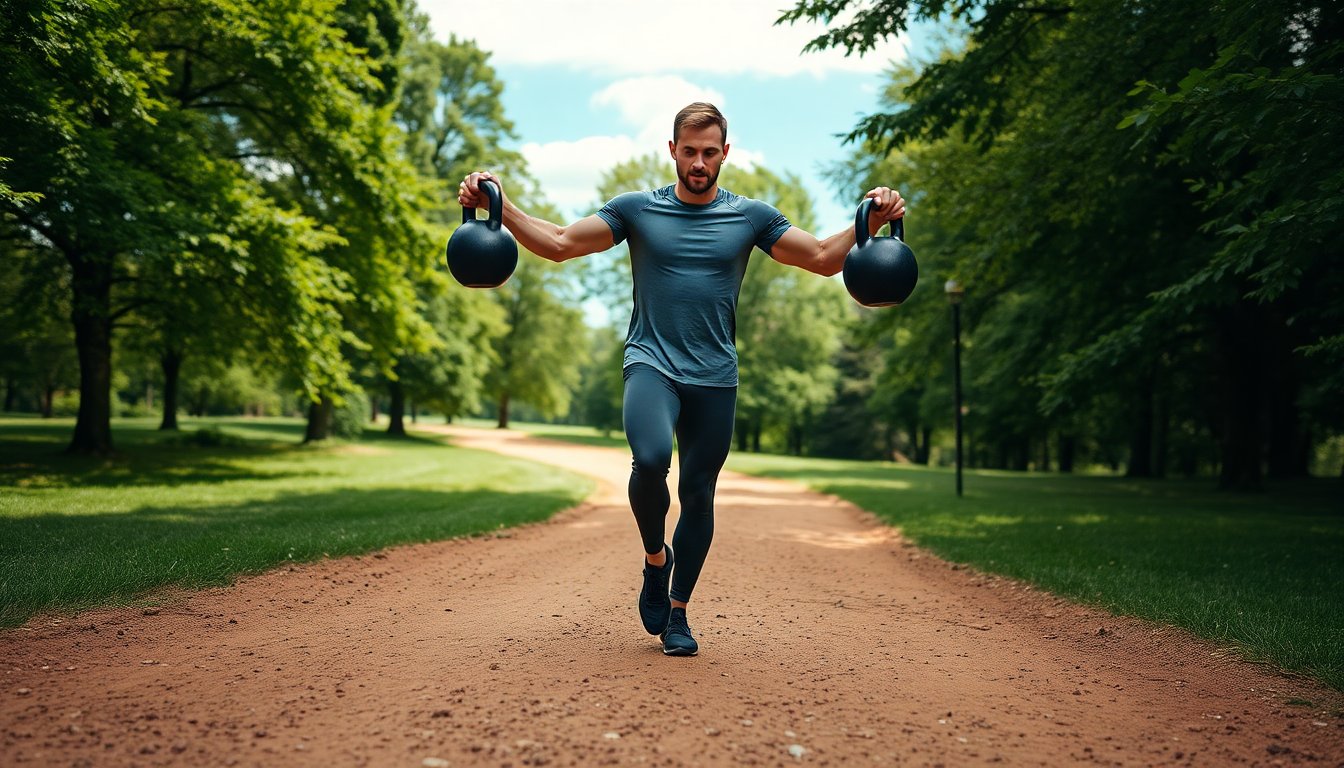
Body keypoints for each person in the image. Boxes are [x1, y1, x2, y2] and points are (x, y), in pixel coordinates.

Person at [458, 102, 905, 656]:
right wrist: (501, 206)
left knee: (698, 495)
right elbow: (560, 244)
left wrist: (871, 220)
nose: (698, 162)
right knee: (648, 460)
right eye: (689, 151)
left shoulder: (751, 217)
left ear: (725, 154)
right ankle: (655, 558)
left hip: (715, 376)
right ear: (672, 151)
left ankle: (678, 613)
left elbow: (819, 257)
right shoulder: (637, 210)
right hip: (652, 363)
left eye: (709, 153)